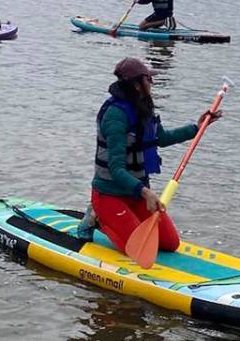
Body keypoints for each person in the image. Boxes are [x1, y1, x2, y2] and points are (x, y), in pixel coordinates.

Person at [81, 57, 223, 250]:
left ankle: (122, 219)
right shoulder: (115, 116)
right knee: (138, 247)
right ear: (137, 85)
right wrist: (146, 192)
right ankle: (96, 217)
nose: (152, 83)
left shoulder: (143, 107)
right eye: (149, 79)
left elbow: (161, 138)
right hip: (109, 193)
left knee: (170, 243)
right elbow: (115, 168)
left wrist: (196, 128)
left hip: (135, 194)